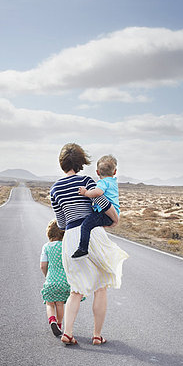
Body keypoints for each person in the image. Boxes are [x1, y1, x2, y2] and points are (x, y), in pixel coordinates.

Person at [50, 143, 128, 345]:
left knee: (75, 289)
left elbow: (61, 223)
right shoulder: (86, 180)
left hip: (71, 237)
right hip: (93, 233)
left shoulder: (54, 189)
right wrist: (114, 219)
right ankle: (96, 334)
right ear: (81, 162)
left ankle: (67, 332)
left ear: (62, 163)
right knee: (101, 287)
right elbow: (101, 202)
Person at [72, 154, 120, 258]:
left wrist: (86, 193)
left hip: (105, 214)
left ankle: (83, 249)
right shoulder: (113, 182)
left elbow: (98, 193)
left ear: (97, 172)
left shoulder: (103, 182)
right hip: (113, 213)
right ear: (115, 172)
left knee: (85, 226)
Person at [40, 220, 71, 337]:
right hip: (64, 281)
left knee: (49, 304)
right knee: (60, 304)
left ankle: (52, 320)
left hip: (51, 281)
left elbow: (43, 265)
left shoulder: (46, 247)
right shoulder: (65, 246)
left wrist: (47, 276)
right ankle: (59, 324)